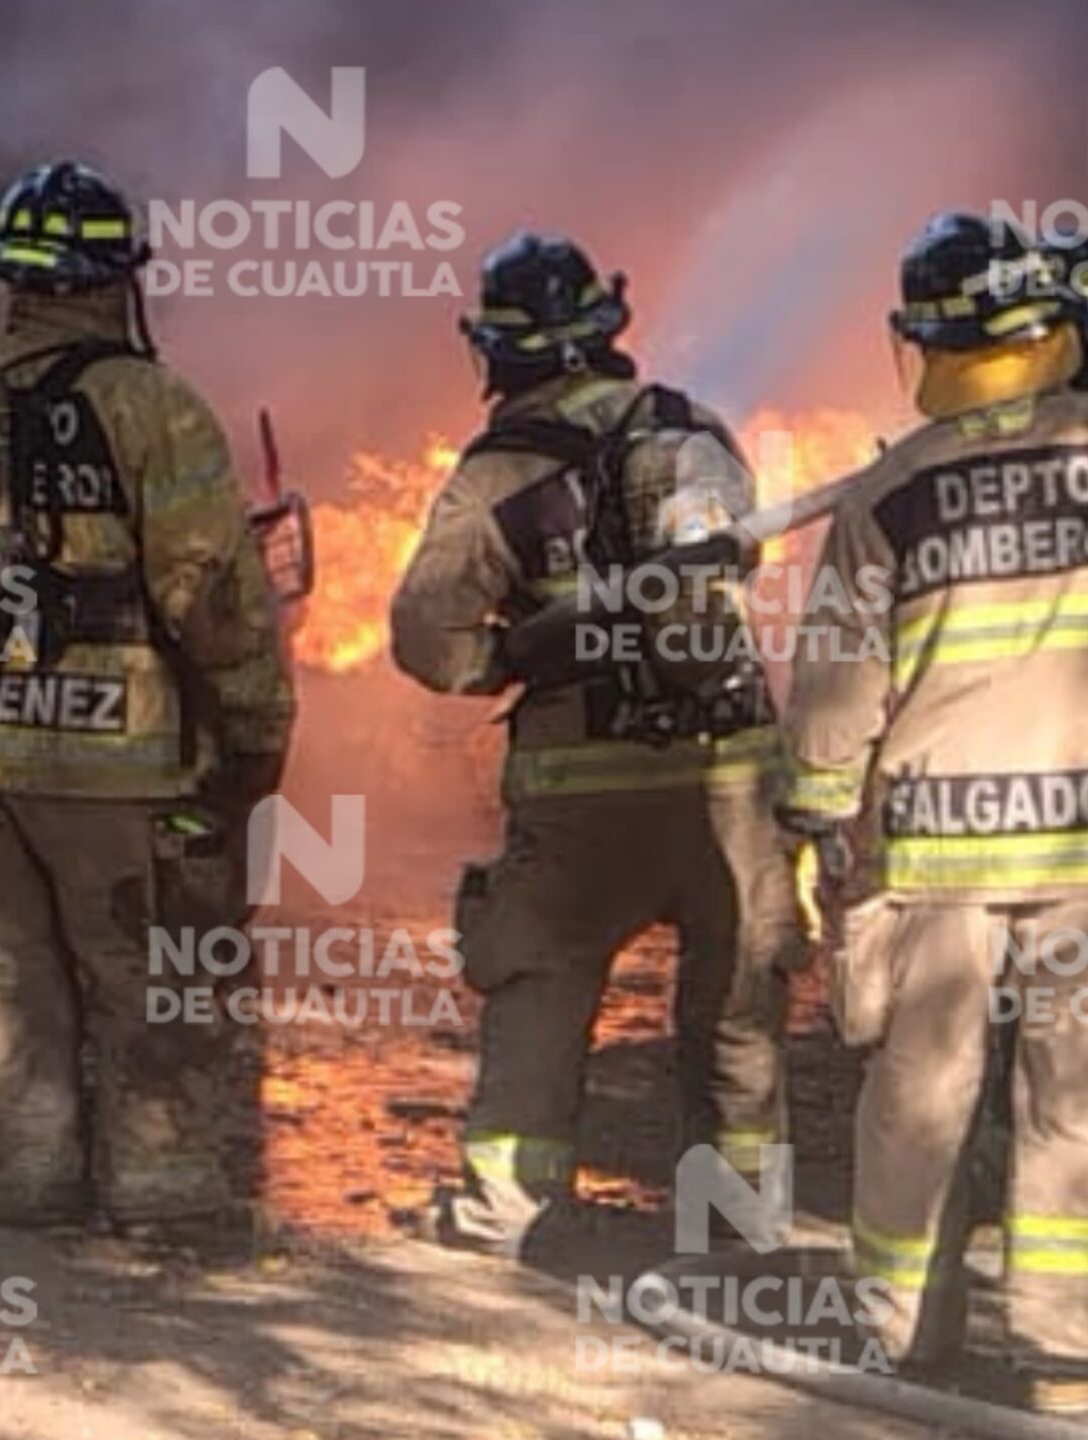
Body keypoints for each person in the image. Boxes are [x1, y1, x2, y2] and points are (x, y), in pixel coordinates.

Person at [778, 213, 1088, 1414]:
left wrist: (813, 814)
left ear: (930, 341)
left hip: (931, 847)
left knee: (918, 1088)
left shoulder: (890, 489)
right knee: (1082, 1085)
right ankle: (1075, 1359)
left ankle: (901, 1333)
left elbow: (841, 678)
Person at [390, 231, 805, 1256]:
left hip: (579, 783)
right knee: (738, 1002)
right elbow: (716, 597)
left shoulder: (499, 471)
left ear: (499, 350)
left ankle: (509, 1211)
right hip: (727, 777)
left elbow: (424, 636)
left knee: (539, 984)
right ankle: (739, 1223)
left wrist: (510, 659)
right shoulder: (689, 432)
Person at [0, 160, 294, 1235]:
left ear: (12, 279)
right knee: (144, 970)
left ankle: (28, 1183)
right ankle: (158, 1189)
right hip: (118, 758)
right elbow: (211, 590)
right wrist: (258, 724)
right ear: (114, 279)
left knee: (5, 976)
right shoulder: (152, 403)